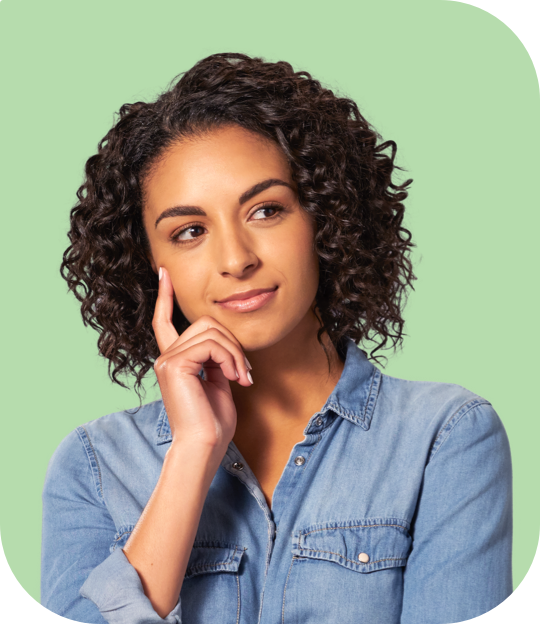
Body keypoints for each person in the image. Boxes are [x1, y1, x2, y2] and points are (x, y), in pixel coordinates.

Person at [41, 52, 513, 624]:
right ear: (148, 264)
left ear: (325, 215)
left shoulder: (444, 438)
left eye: (266, 210)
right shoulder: (95, 466)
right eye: (190, 231)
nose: (236, 259)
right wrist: (192, 453)